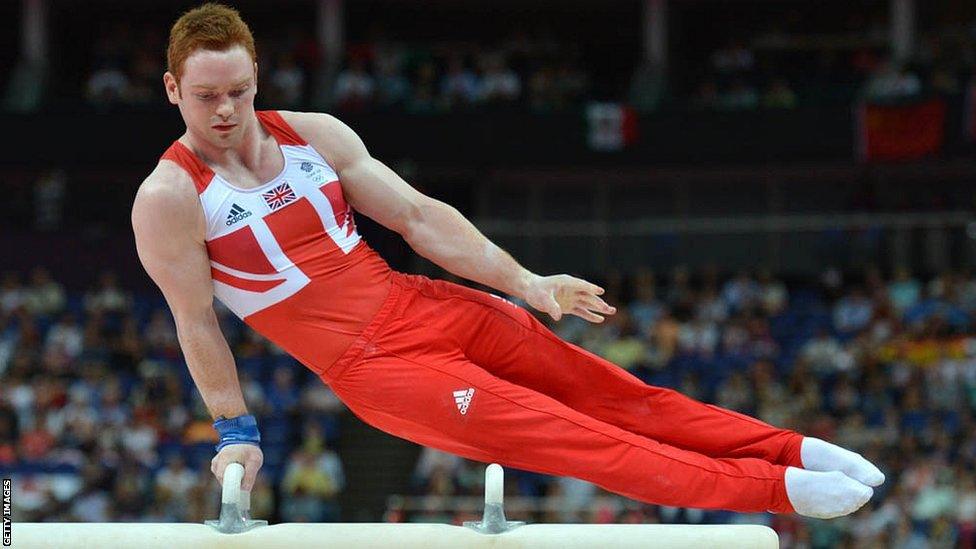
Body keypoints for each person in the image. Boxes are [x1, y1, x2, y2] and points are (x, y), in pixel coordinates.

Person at [131, 3, 884, 520]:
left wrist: (525, 281)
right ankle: (778, 490)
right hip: (378, 368)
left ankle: (794, 447)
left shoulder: (312, 134)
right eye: (204, 97)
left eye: (237, 90)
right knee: (584, 439)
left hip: (425, 303)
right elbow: (196, 321)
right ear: (173, 89)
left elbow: (421, 218)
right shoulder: (170, 197)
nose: (224, 110)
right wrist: (236, 433)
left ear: (257, 75)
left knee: (625, 398)